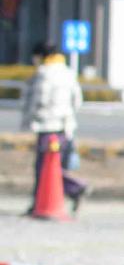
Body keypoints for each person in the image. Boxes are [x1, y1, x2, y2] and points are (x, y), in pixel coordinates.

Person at [19, 43, 88, 214]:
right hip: (65, 127)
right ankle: (73, 190)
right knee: (55, 165)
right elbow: (77, 100)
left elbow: (38, 100)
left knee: (44, 167)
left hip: (47, 127)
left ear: (41, 56)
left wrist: (28, 119)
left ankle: (48, 199)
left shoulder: (44, 74)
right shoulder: (68, 72)